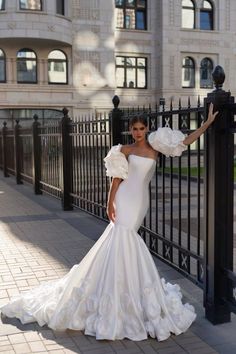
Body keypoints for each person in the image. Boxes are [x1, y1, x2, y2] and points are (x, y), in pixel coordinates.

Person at [1, 103, 218, 341]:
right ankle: (115, 291)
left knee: (123, 240)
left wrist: (206, 124)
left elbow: (185, 141)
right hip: (125, 199)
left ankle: (125, 287)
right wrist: (109, 203)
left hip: (141, 201)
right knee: (121, 239)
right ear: (130, 130)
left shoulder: (156, 145)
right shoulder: (123, 150)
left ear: (147, 128)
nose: (137, 132)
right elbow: (116, 181)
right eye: (134, 128)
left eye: (141, 128)